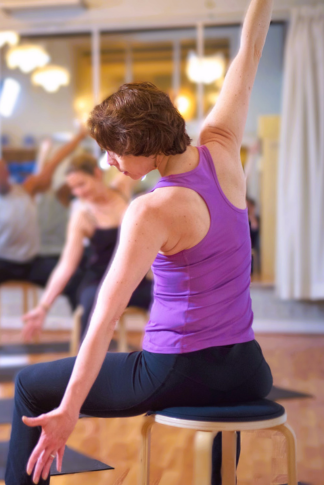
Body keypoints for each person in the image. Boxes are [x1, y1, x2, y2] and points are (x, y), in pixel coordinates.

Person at [5, 1, 274, 484]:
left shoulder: (150, 210)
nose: (107, 161)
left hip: (175, 370)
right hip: (247, 368)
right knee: (216, 408)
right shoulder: (224, 146)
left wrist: (69, 409)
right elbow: (249, 51)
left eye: (113, 151)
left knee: (29, 385)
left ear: (144, 145)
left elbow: (105, 317)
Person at [22, 153, 152, 343]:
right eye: (73, 188)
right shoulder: (83, 217)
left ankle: (160, 361)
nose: (78, 192)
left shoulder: (121, 188)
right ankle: (87, 369)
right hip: (99, 281)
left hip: (133, 279)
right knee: (93, 303)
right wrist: (43, 307)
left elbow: (143, 159)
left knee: (166, 296)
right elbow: (66, 265)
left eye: (81, 184)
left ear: (97, 174)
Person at [0, 129, 87, 287]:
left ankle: (81, 311)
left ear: (6, 171)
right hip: (3, 263)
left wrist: (79, 137)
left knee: (75, 278)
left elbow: (55, 161)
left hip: (32, 263)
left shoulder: (27, 189)